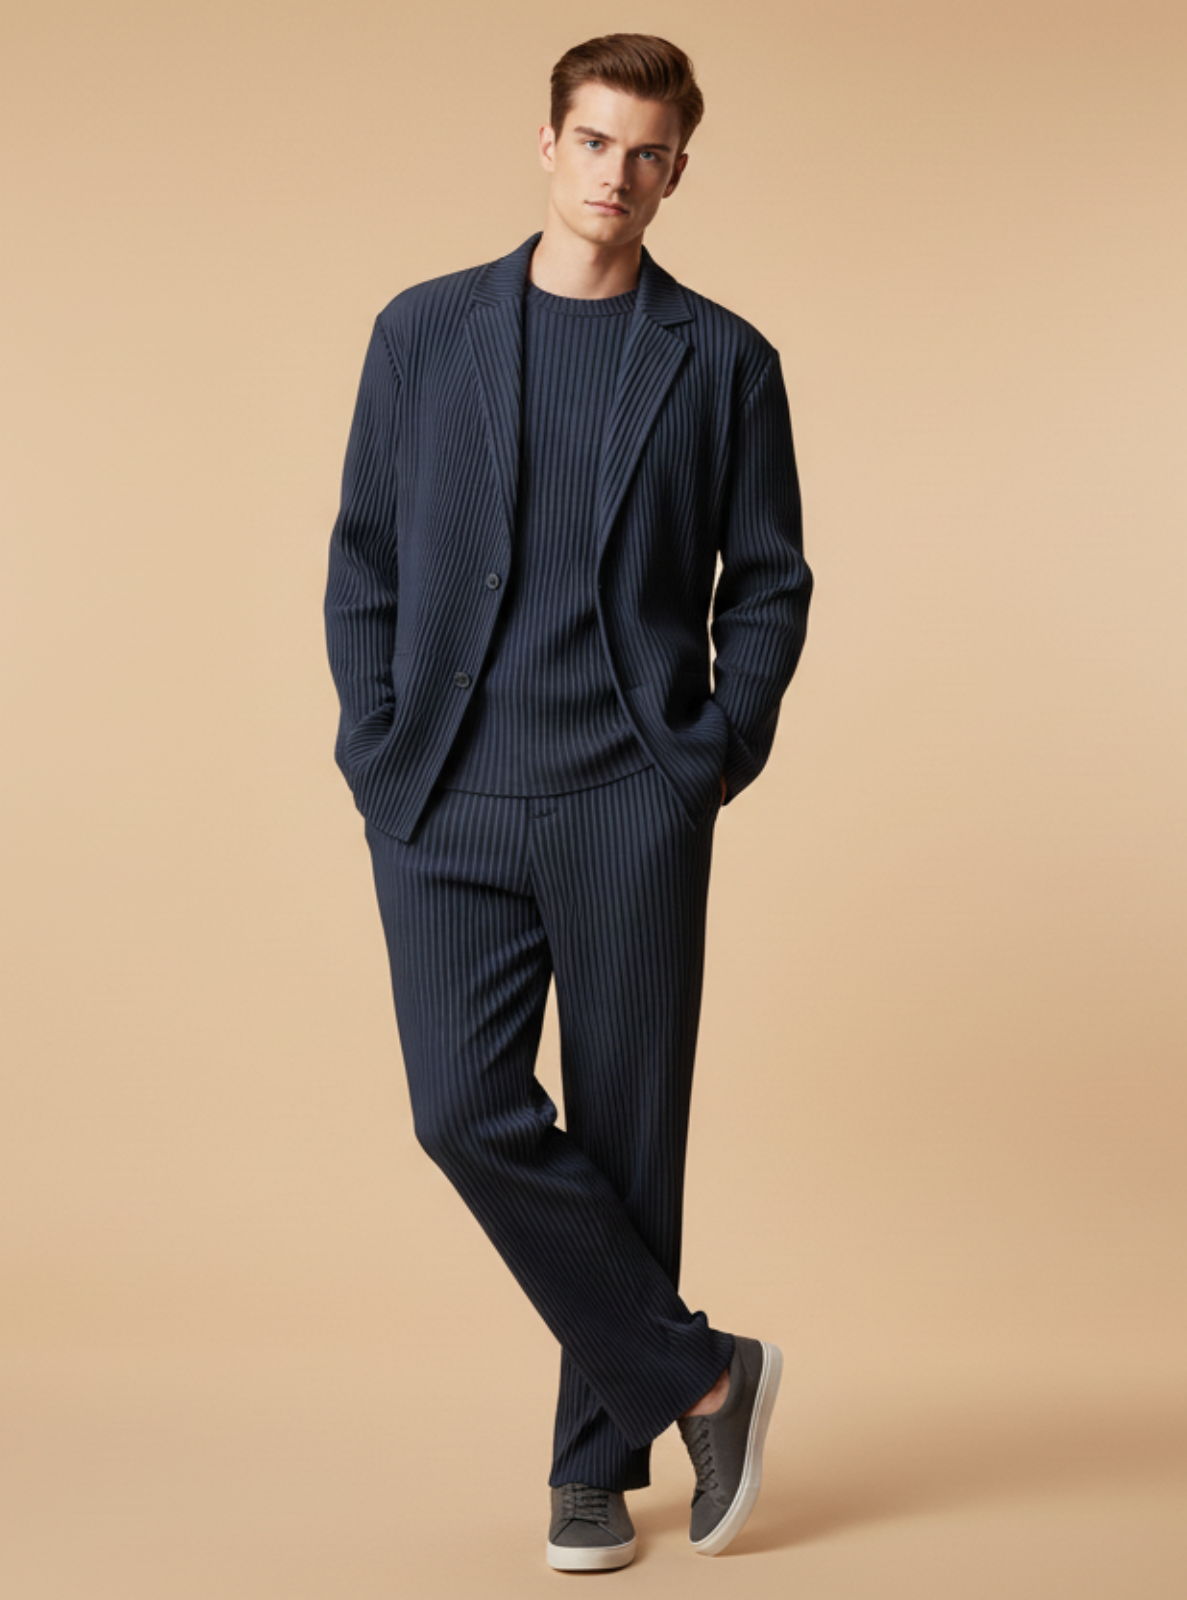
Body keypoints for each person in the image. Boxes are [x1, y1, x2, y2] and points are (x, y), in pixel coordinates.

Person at [323, 32, 812, 1570]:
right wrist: (376, 747)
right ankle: (702, 1373)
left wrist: (710, 751)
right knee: (462, 1111)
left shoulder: (723, 361)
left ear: (678, 168)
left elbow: (772, 585)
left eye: (648, 151)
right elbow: (366, 565)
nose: (618, 175)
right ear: (548, 146)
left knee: (626, 1132)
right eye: (594, 142)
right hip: (445, 795)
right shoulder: (421, 333)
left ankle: (589, 1474)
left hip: (628, 800)